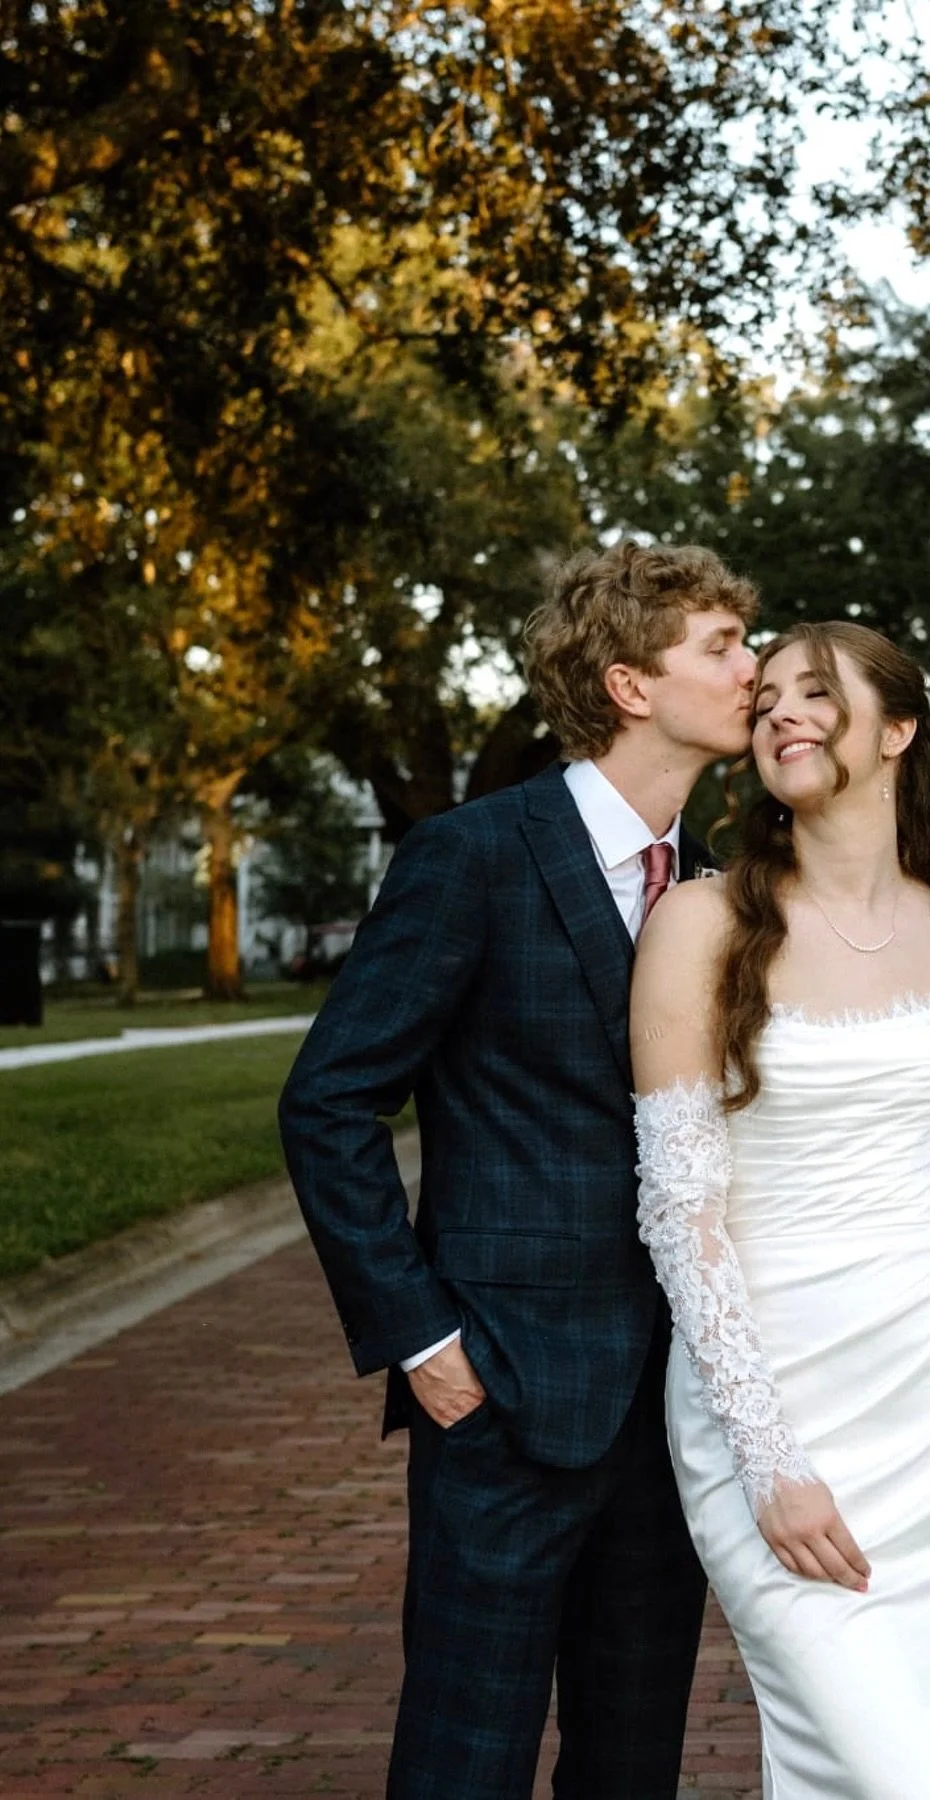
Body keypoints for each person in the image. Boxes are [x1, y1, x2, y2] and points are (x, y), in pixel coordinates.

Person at [277, 540, 761, 1800]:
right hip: (499, 1393)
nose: (754, 669)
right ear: (630, 683)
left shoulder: (709, 888)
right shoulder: (474, 856)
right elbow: (329, 1100)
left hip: (674, 1412)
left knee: (631, 1759)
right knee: (464, 1756)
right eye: (722, 645)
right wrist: (424, 1343)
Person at [631, 620, 930, 1799]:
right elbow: (678, 1213)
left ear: (898, 731)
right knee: (880, 1766)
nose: (782, 709)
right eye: (770, 694)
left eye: (819, 692)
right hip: (777, 1401)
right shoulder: (698, 926)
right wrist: (769, 1457)